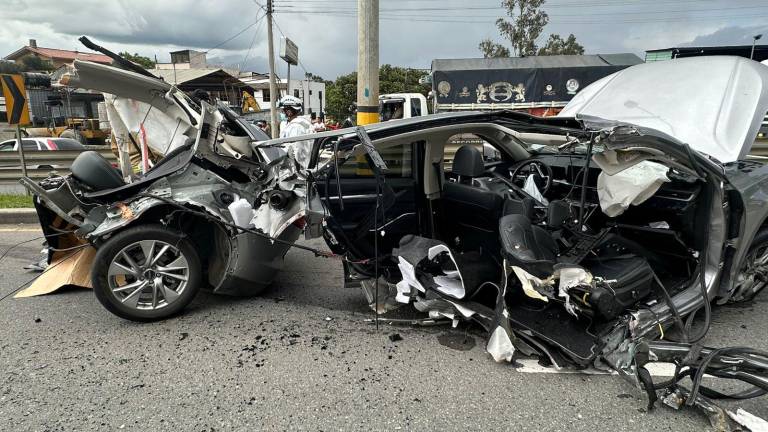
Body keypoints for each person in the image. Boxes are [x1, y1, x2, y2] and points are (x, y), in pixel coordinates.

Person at [278, 96, 313, 167]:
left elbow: (296, 150)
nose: (282, 113)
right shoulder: (294, 125)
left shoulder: (296, 127)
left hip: (297, 167)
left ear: (289, 112)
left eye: (283, 111)